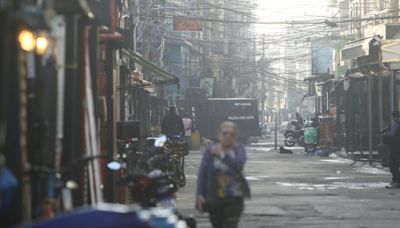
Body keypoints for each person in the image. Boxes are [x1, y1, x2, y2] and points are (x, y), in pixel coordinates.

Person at [196, 121, 250, 228]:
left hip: (234, 198)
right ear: (219, 135)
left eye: (232, 134)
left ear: (236, 136)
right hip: (214, 198)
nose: (228, 137)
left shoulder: (239, 150)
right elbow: (203, 173)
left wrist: (223, 154)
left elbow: (238, 165)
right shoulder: (210, 151)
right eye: (225, 133)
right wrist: (200, 194)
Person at [385, 111, 400, 189]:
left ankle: (396, 181)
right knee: (396, 164)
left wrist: (386, 133)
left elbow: (391, 135)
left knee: (393, 164)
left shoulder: (395, 124)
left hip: (395, 147)